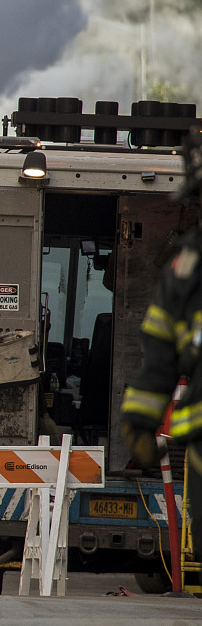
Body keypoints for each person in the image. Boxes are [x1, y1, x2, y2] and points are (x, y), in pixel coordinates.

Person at [120, 125, 202, 556]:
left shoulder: (186, 267)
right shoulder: (186, 267)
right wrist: (141, 421)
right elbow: (160, 357)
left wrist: (139, 424)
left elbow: (159, 360)